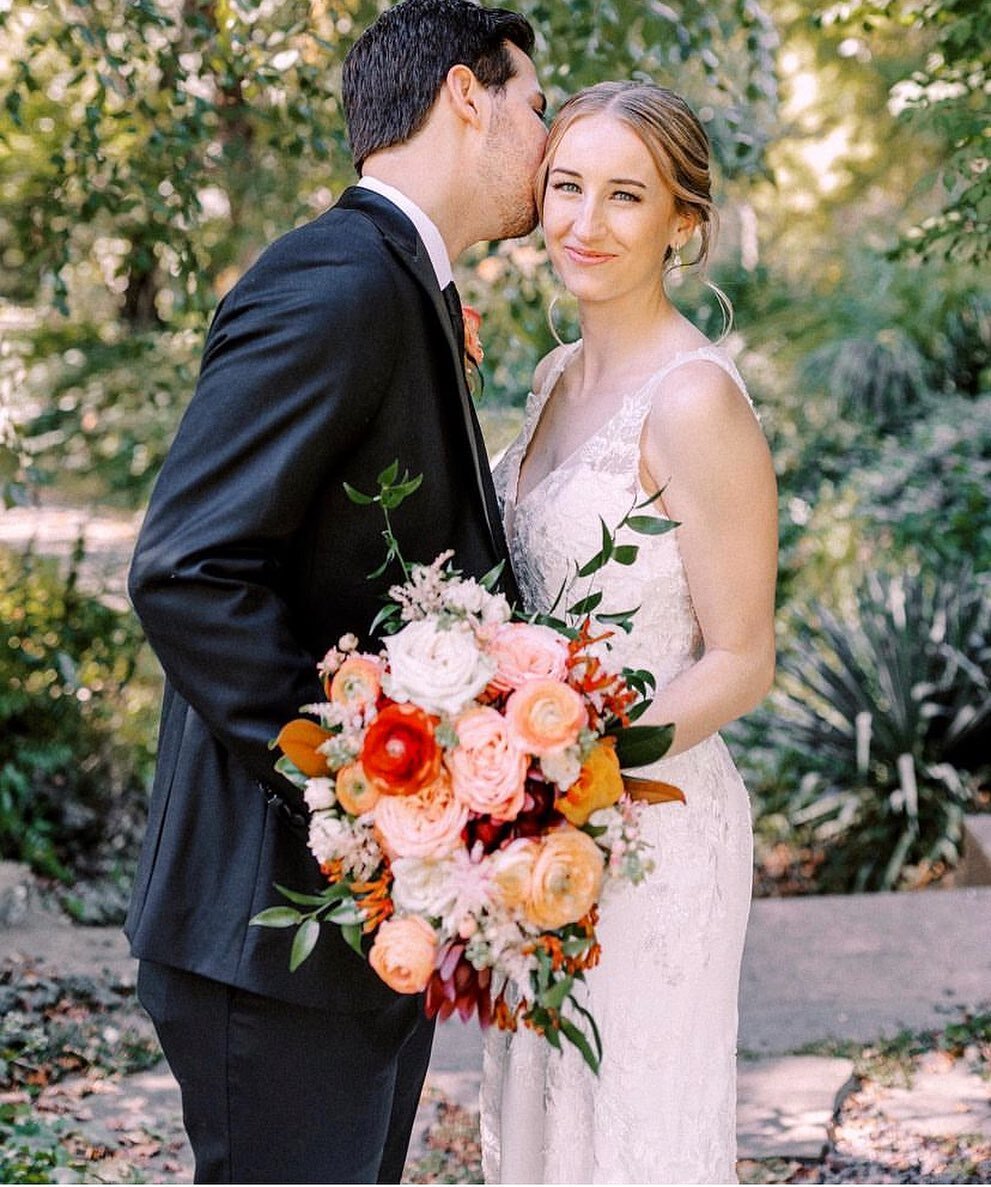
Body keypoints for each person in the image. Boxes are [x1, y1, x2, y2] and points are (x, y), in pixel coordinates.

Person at [124, 2, 547, 1182]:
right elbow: (185, 569)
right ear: (468, 95)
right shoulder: (334, 281)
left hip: (347, 934)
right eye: (538, 103)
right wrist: (370, 783)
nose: (550, 139)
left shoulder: (399, 282)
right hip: (267, 928)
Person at [481, 81, 778, 1183]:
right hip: (535, 831)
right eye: (566, 187)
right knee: (545, 1124)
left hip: (650, 825)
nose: (583, 224)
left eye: (623, 196)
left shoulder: (696, 399)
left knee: (628, 1136)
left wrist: (578, 774)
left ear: (682, 223)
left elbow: (743, 657)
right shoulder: (558, 376)